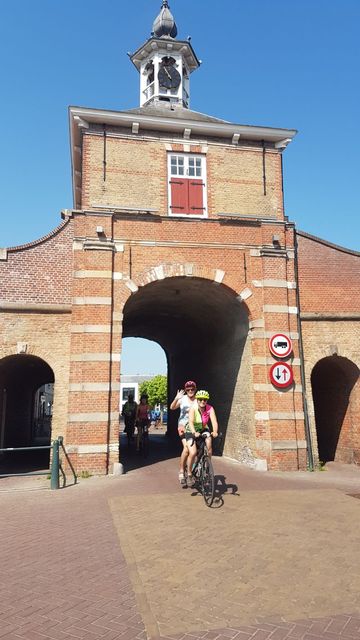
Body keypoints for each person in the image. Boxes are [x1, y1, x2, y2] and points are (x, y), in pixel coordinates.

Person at [186, 389, 219, 486]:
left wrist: (215, 431)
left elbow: (214, 421)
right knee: (193, 452)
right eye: (200, 399)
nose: (202, 401)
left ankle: (207, 465)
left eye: (204, 400)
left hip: (203, 429)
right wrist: (193, 432)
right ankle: (189, 474)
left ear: (207, 401)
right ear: (197, 400)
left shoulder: (210, 409)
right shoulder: (193, 408)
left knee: (209, 443)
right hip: (191, 430)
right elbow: (191, 422)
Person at [170, 380, 197, 485]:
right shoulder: (183, 399)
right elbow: (172, 407)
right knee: (186, 449)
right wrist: (176, 398)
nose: (190, 391)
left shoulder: (198, 399)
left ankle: (194, 467)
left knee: (199, 447)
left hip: (195, 426)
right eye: (188, 389)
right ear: (186, 390)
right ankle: (182, 471)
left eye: (192, 389)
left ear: (195, 389)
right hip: (183, 426)